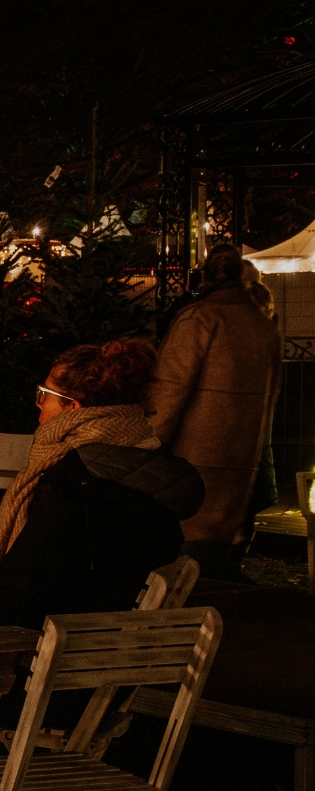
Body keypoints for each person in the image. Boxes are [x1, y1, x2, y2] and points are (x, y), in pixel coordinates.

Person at [0, 339, 205, 628]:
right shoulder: (150, 463)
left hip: (51, 641)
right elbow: (54, 565)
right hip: (100, 630)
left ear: (72, 407)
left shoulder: (74, 482)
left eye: (44, 394)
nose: (38, 403)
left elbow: (8, 601)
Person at [145, 244, 282, 577]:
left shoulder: (199, 319)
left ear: (205, 277)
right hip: (240, 465)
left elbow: (168, 395)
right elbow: (271, 397)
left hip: (193, 464)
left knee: (184, 566)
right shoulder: (262, 325)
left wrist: (146, 446)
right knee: (219, 563)